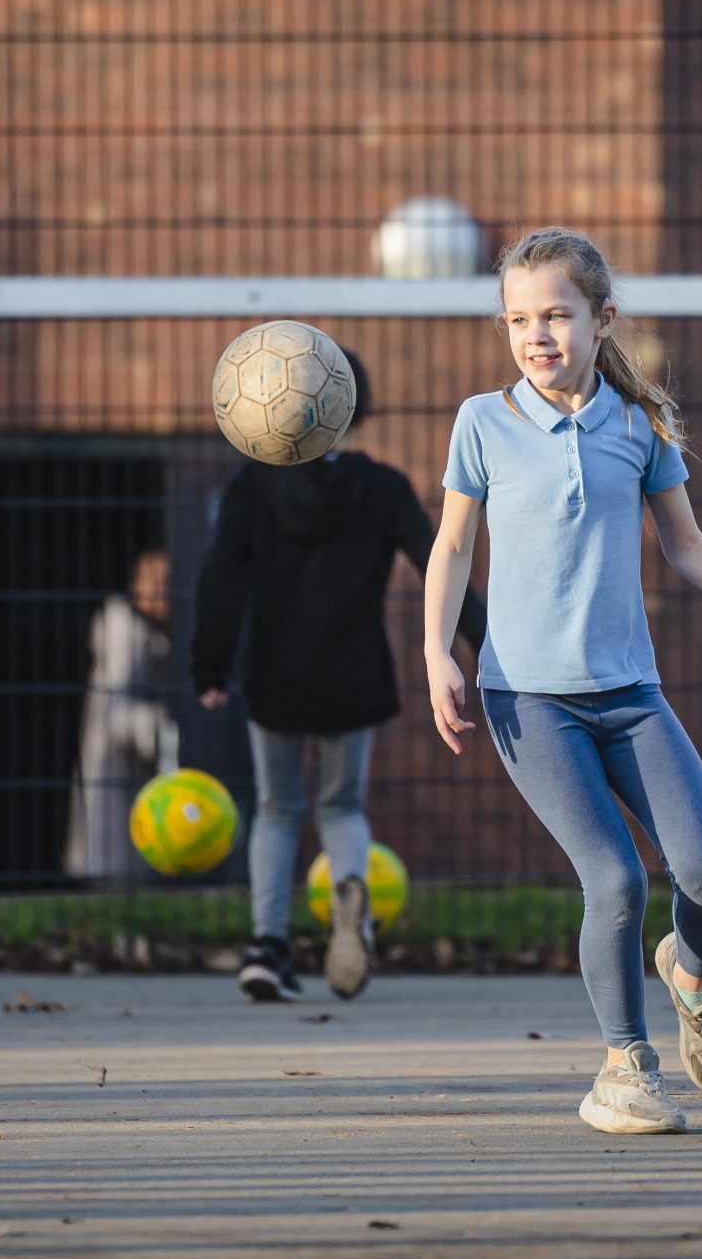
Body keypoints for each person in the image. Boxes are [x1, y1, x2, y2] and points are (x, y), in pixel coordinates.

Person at [420, 227, 702, 1135]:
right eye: (519, 318)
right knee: (617, 880)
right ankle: (625, 1068)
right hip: (528, 699)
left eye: (555, 314)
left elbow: (687, 543)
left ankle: (693, 976)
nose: (536, 334)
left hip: (632, 694)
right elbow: (451, 545)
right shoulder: (482, 420)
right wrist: (439, 649)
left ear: (603, 320)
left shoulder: (638, 425)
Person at [190, 348, 485, 1002]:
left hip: (276, 677)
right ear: (348, 405)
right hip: (355, 677)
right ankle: (351, 899)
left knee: (276, 807)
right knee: (341, 804)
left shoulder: (250, 486)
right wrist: (485, 644)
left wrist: (210, 662)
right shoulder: (382, 487)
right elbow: (441, 562)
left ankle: (266, 945)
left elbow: (220, 575)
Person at [63, 548, 181, 883]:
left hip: (136, 769)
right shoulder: (123, 627)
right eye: (154, 582)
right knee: (114, 860)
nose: (163, 592)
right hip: (114, 765)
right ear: (136, 585)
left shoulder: (152, 631)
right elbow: (115, 706)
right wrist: (161, 726)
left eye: (168, 582)